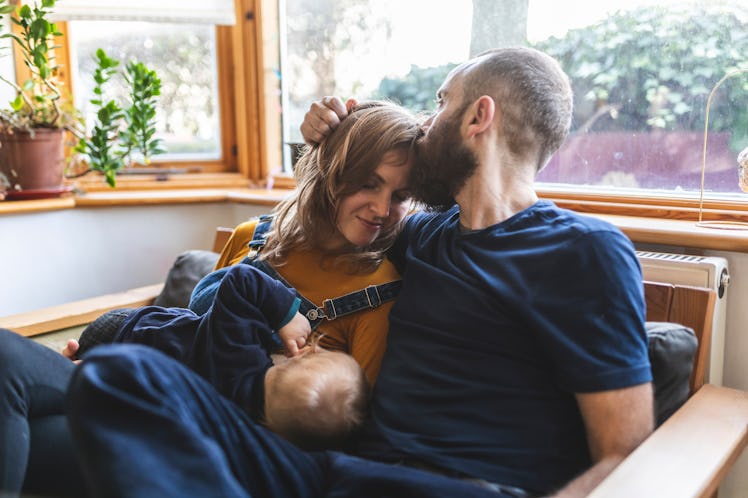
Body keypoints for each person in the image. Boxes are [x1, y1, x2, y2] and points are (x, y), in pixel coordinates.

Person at [66, 47, 653, 498]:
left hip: (460, 487)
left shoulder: (585, 250)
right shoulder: (418, 236)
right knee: (121, 374)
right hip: (338, 472)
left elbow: (625, 454)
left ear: (478, 116)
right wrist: (332, 134)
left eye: (441, 104)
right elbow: (324, 221)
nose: (426, 124)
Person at [0, 100, 419, 498]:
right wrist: (117, 350)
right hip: (145, 377)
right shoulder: (254, 236)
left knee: (26, 403)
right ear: (334, 171)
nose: (382, 208)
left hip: (197, 442)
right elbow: (195, 327)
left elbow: (345, 438)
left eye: (400, 196)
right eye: (369, 183)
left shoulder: (377, 300)